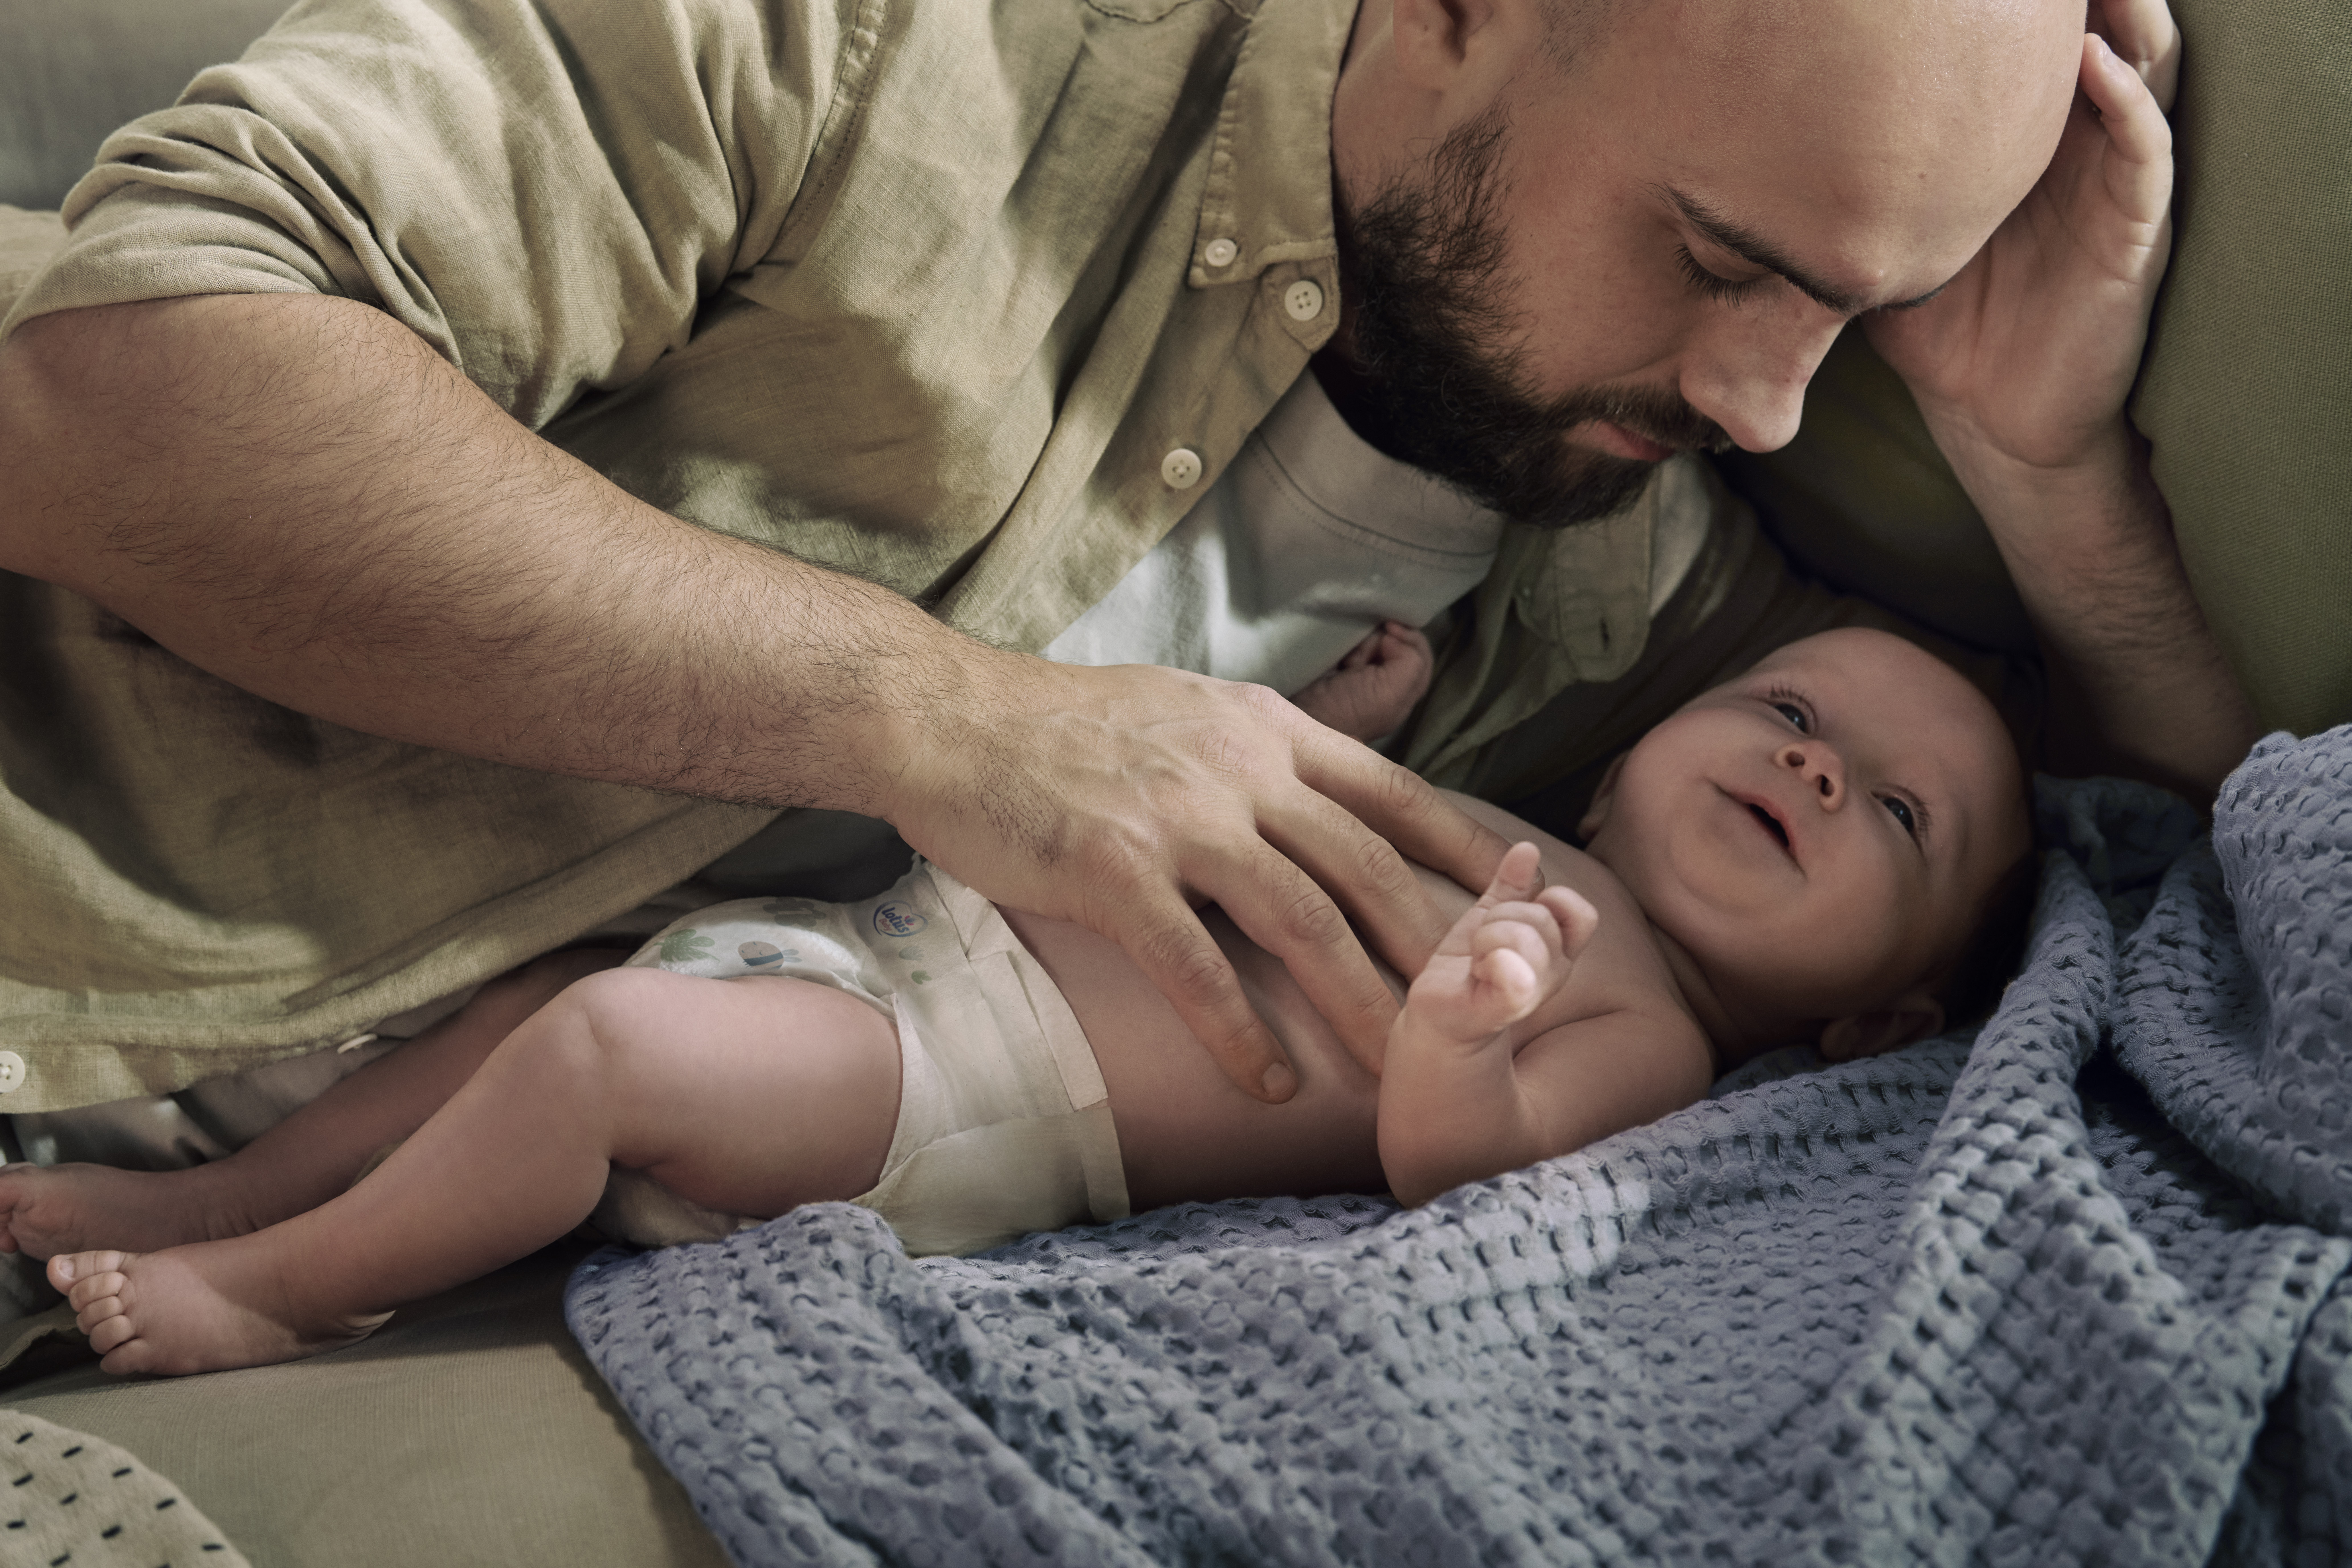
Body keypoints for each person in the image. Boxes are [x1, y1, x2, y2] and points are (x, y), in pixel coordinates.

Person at [0, 0, 2251, 1131]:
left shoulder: (1635, 562)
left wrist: (2042, 470)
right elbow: (106, 386)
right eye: (1724, 260)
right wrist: (938, 714)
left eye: (1846, 316)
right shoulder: (916, 47)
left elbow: (2163, 917)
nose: (1773, 398)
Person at [1, 623, 2033, 1376]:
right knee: (538, 991)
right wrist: (1318, 728)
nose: (1813, 762)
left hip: (968, 1092)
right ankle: (205, 1194)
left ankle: (285, 1290)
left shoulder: (1651, 1041)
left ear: (1883, 1018)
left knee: (600, 1052)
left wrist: (1465, 1037)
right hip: (907, 947)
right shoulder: (1515, 832)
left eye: (1899, 812)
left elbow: (1456, 1170)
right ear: (1631, 753)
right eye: (1786, 707)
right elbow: (1256, 839)